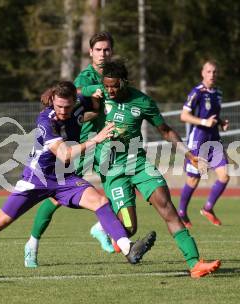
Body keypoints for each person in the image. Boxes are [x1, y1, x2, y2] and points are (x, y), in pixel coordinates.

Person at [0, 81, 156, 279]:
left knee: (100, 202)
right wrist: (96, 139)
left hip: (65, 179)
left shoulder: (79, 103)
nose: (62, 111)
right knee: (1, 220)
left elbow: (94, 102)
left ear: (74, 102)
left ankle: (129, 249)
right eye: (58, 106)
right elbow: (65, 155)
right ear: (52, 101)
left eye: (67, 107)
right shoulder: (45, 121)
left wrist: (90, 113)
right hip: (38, 179)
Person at [94, 60, 220, 278]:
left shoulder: (143, 102)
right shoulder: (98, 99)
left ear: (124, 82)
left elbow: (165, 130)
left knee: (166, 205)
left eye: (114, 85)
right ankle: (106, 230)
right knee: (130, 228)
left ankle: (194, 264)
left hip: (139, 163)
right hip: (113, 169)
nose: (110, 90)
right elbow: (77, 113)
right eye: (106, 86)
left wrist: (189, 154)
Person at [24, 32, 116, 269]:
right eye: (99, 50)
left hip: (108, 140)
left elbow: (104, 105)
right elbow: (74, 92)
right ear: (91, 52)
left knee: (117, 185)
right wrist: (90, 93)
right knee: (55, 197)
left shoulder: (115, 75)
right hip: (84, 142)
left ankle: (103, 227)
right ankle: (32, 244)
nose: (103, 54)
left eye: (106, 50)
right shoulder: (85, 77)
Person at [177, 60, 230, 228]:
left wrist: (221, 122)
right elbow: (184, 116)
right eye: (209, 71)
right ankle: (181, 212)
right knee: (193, 180)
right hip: (198, 140)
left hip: (214, 139)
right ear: (203, 73)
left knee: (224, 175)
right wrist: (203, 122)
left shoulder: (218, 93)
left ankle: (208, 208)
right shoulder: (197, 92)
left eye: (214, 72)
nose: (212, 75)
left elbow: (212, 115)